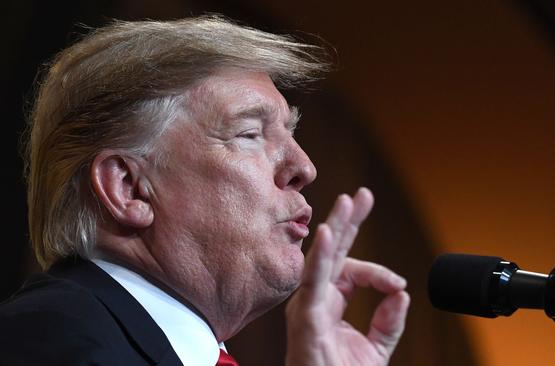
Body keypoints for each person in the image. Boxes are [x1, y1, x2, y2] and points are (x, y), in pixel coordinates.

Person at [0, 15, 410, 365]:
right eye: (249, 133)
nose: (304, 167)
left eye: (292, 133)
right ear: (129, 188)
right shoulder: (52, 338)